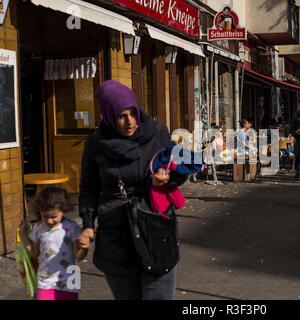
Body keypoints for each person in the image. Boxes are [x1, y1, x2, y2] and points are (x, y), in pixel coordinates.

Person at [78, 80, 187, 300]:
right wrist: (88, 224)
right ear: (108, 115)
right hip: (115, 235)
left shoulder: (157, 134)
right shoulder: (96, 143)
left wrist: (166, 179)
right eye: (121, 116)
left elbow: (181, 168)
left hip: (155, 228)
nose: (130, 122)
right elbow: (89, 187)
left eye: (132, 113)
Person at [18, 187, 89, 300]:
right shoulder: (38, 228)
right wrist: (23, 236)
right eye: (45, 217)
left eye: (53, 216)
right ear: (39, 212)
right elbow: (34, 254)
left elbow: (79, 256)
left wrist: (84, 248)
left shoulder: (71, 228)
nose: (49, 221)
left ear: (63, 210)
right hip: (45, 282)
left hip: (69, 282)